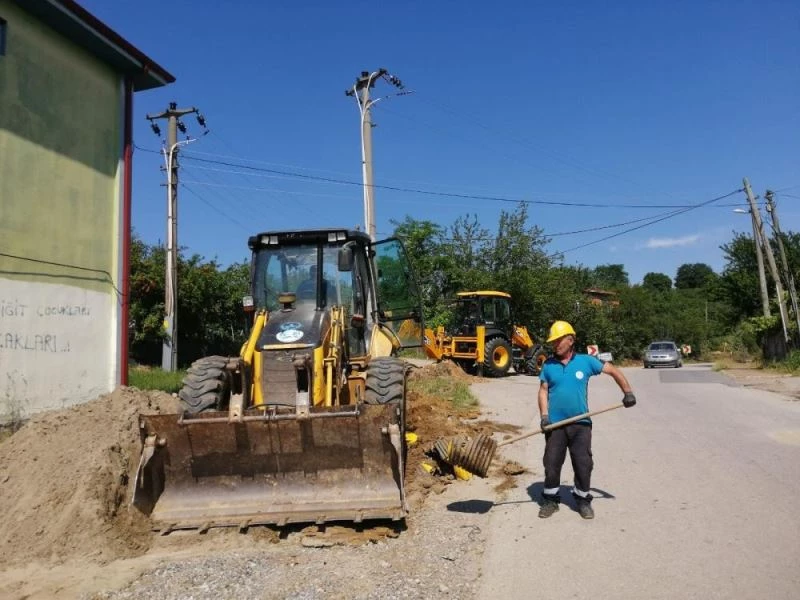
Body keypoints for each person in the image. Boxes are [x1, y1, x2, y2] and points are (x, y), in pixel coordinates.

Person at [537, 320, 636, 520]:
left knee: (583, 463)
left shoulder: (585, 361)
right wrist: (544, 417)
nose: (555, 345)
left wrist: (628, 392)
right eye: (553, 342)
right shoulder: (548, 365)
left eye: (558, 341)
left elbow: (614, 371)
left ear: (570, 340)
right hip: (555, 425)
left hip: (581, 424)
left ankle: (582, 499)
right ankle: (550, 499)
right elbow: (543, 391)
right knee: (551, 462)